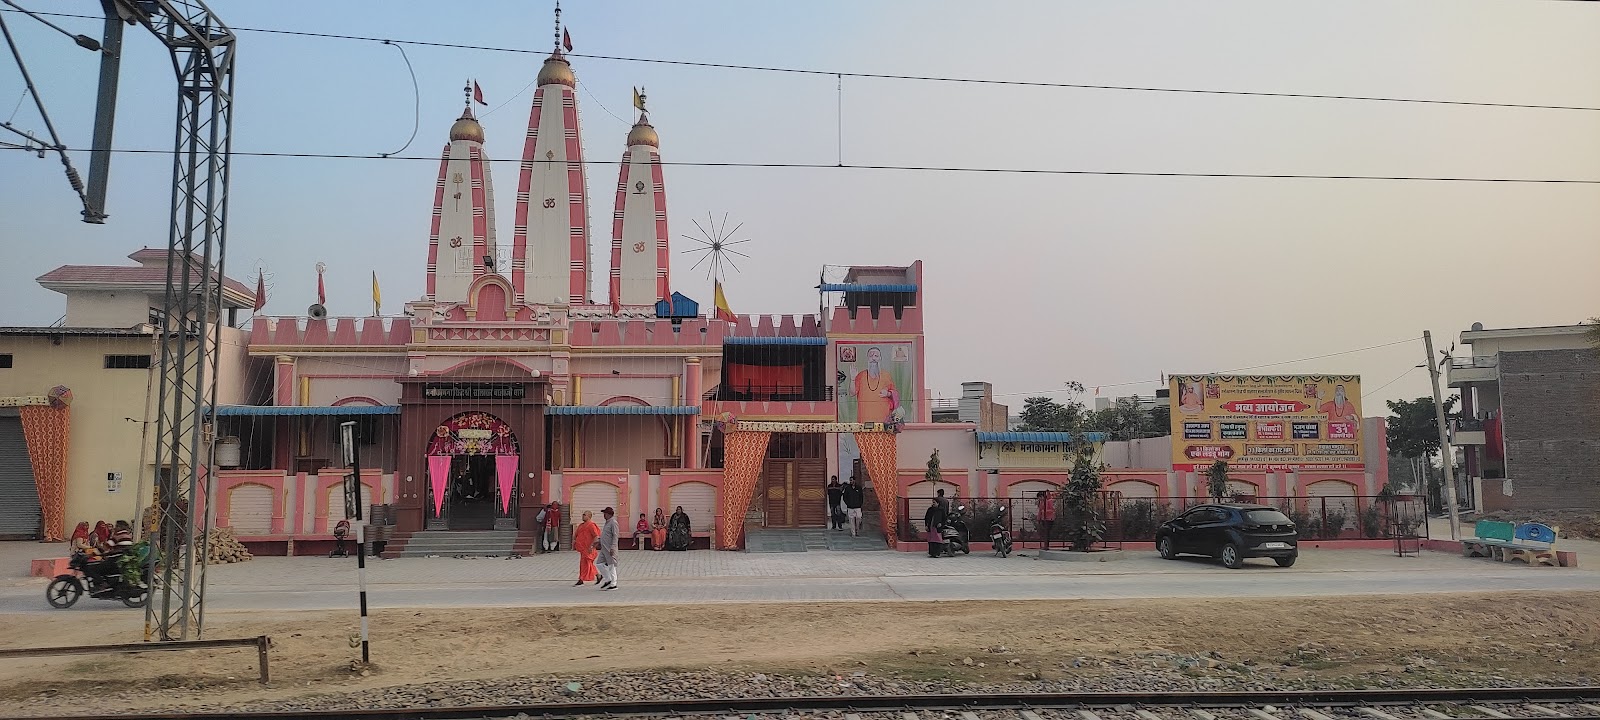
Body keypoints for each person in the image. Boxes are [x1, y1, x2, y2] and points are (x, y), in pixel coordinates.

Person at [849, 346, 900, 423]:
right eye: (871, 356)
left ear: (880, 358)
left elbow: (895, 394)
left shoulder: (886, 376)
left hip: (883, 419)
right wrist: (853, 379)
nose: (873, 358)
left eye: (876, 356)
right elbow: (852, 393)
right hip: (865, 418)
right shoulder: (861, 375)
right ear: (867, 358)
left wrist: (888, 393)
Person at [572, 511, 600, 586]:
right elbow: (576, 535)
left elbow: (596, 536)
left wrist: (592, 546)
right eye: (583, 515)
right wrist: (574, 542)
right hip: (583, 548)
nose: (583, 516)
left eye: (584, 515)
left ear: (589, 516)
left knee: (588, 563)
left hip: (589, 548)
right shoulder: (581, 525)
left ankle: (584, 578)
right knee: (583, 564)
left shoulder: (591, 525)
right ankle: (584, 578)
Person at [596, 507, 620, 590]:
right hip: (604, 548)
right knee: (599, 564)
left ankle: (613, 583)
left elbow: (615, 536)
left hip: (610, 548)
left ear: (609, 514)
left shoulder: (613, 523)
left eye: (605, 514)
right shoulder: (607, 523)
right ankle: (608, 579)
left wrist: (613, 547)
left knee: (611, 565)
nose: (604, 515)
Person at [924, 494, 947, 558]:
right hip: (930, 527)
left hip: (937, 527)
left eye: (934, 502)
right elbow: (926, 518)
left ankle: (937, 553)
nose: (933, 504)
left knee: (937, 540)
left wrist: (941, 524)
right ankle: (931, 553)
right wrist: (926, 525)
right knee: (931, 540)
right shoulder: (930, 510)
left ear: (938, 503)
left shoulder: (941, 510)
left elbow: (944, 518)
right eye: (932, 502)